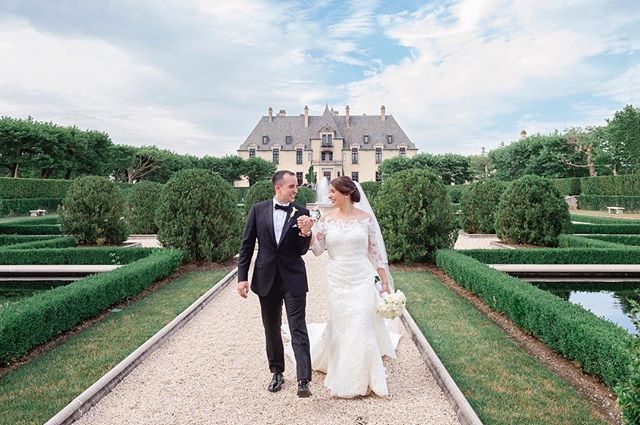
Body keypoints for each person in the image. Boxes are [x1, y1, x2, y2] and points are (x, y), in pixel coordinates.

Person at [295, 176, 399, 398]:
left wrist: (385, 283)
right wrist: (307, 232)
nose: (329, 195)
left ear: (347, 193)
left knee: (362, 323)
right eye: (329, 191)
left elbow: (375, 253)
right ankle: (345, 370)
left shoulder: (366, 219)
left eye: (333, 192)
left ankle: (367, 378)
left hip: (361, 277)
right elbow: (318, 248)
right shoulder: (326, 219)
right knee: (343, 325)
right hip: (336, 278)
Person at [237, 170, 314, 397]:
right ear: (278, 187)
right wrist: (242, 277)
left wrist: (305, 233)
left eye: (296, 186)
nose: (296, 190)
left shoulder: (302, 212)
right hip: (266, 277)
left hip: (293, 278)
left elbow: (302, 251)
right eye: (292, 186)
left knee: (297, 326)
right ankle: (277, 373)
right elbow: (247, 245)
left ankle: (303, 379)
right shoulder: (257, 210)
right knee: (271, 327)